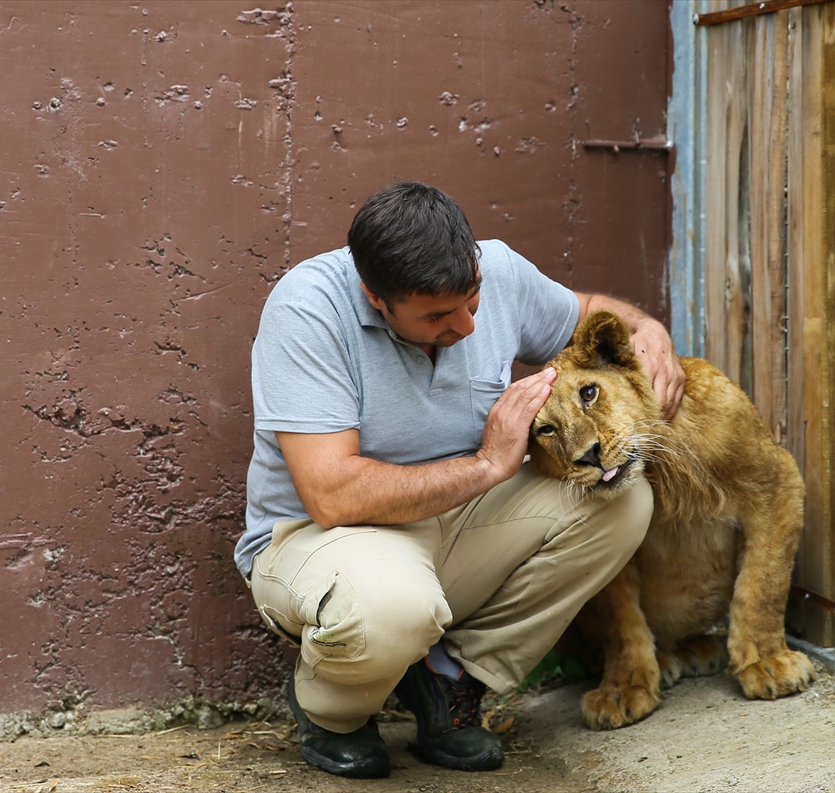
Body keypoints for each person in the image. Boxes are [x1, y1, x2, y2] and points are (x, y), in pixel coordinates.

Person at [235, 181, 684, 779]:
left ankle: (448, 682)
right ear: (376, 298)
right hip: (322, 537)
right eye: (440, 316)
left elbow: (592, 312)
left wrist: (648, 331)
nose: (469, 324)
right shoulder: (308, 310)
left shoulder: (494, 269)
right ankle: (334, 713)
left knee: (620, 504)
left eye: (472, 299)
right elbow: (330, 494)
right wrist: (487, 465)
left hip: (458, 516)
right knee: (391, 608)